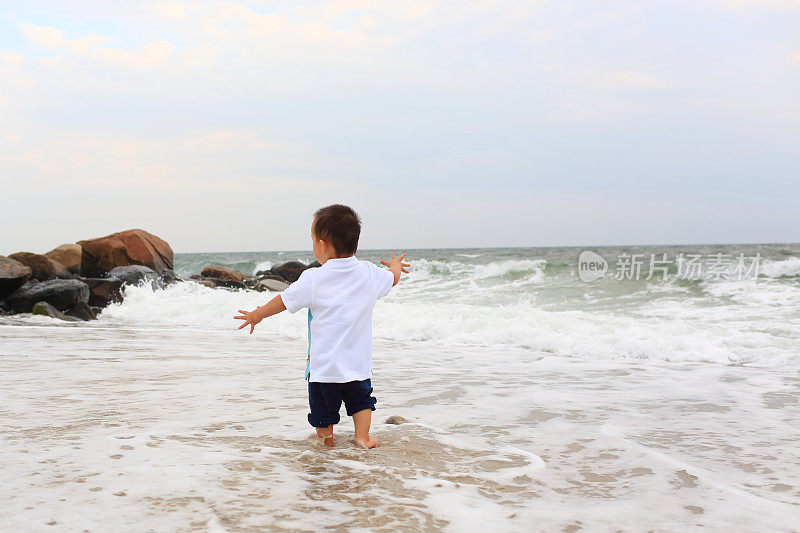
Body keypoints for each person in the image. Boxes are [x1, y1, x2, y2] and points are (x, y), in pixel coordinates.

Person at [233, 204, 410, 449]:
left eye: (313, 239)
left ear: (323, 244)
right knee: (362, 402)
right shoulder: (369, 274)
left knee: (323, 413)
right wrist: (395, 266)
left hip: (324, 369)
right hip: (358, 366)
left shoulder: (314, 279)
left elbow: (283, 301)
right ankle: (362, 437)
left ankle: (326, 442)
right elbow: (393, 278)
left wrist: (257, 315)